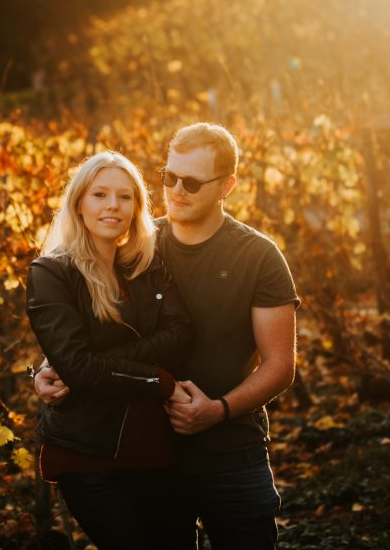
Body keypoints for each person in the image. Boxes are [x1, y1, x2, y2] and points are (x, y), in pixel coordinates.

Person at [36, 123, 300, 549]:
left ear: (226, 186)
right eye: (168, 177)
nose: (176, 190)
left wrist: (218, 410)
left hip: (232, 452)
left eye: (192, 182)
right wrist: (52, 367)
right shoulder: (136, 245)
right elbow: (94, 328)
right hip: (150, 455)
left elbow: (280, 365)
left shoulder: (258, 257)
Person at [25, 151, 196, 549]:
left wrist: (96, 364)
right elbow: (80, 370)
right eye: (100, 194)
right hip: (90, 453)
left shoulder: (146, 264)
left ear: (137, 207)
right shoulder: (51, 273)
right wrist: (161, 381)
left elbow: (182, 333)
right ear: (79, 203)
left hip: (158, 446)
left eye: (125, 196)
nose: (113, 206)